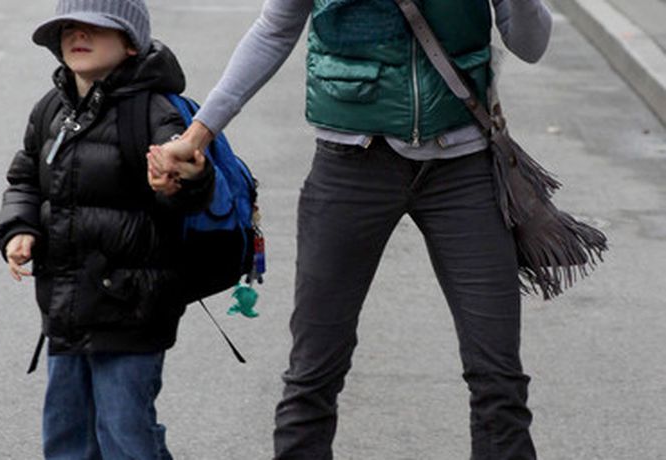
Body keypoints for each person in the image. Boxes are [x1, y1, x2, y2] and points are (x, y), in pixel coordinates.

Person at [148, 0, 553, 458]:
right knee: (314, 370)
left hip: (463, 167)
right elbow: (274, 30)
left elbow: (532, 45)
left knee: (498, 376)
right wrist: (196, 136)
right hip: (350, 165)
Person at [0, 0, 213, 458]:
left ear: (131, 44)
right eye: (68, 28)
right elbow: (25, 179)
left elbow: (187, 196)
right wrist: (19, 229)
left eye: (94, 27)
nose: (78, 36)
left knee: (125, 433)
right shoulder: (51, 109)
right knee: (66, 435)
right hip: (66, 306)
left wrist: (186, 179)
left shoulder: (154, 112)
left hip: (132, 306)